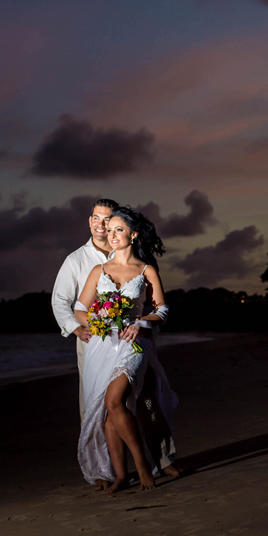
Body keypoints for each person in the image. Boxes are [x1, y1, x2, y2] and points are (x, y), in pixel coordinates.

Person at [74, 206, 179, 493]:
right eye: (109, 231)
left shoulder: (146, 269)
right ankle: (120, 475)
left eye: (118, 229)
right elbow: (80, 308)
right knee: (109, 411)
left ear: (133, 234)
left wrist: (143, 321)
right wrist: (95, 322)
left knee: (116, 400)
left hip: (133, 344)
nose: (112, 235)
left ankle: (144, 466)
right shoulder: (99, 270)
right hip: (101, 345)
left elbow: (163, 309)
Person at [52, 198, 119, 421]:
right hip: (91, 339)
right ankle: (94, 456)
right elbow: (60, 300)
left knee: (138, 397)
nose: (100, 224)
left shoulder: (127, 253)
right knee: (92, 400)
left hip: (126, 338)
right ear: (89, 221)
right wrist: (77, 330)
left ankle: (154, 455)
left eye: (106, 219)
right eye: (96, 218)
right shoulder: (75, 260)